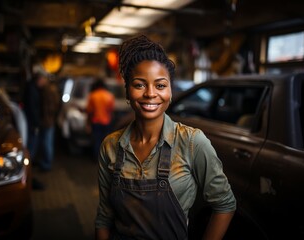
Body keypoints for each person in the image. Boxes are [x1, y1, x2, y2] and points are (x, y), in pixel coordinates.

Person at [95, 35, 236, 240]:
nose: (150, 94)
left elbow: (225, 203)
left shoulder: (192, 142)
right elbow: (104, 216)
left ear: (170, 92)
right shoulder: (110, 146)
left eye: (160, 85)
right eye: (139, 85)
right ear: (127, 91)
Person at [86, 78, 115, 159]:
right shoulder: (109, 95)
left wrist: (88, 124)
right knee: (106, 141)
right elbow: (111, 111)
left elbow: (89, 111)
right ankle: (105, 158)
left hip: (96, 122)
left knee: (96, 140)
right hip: (107, 122)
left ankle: (97, 157)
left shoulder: (93, 95)